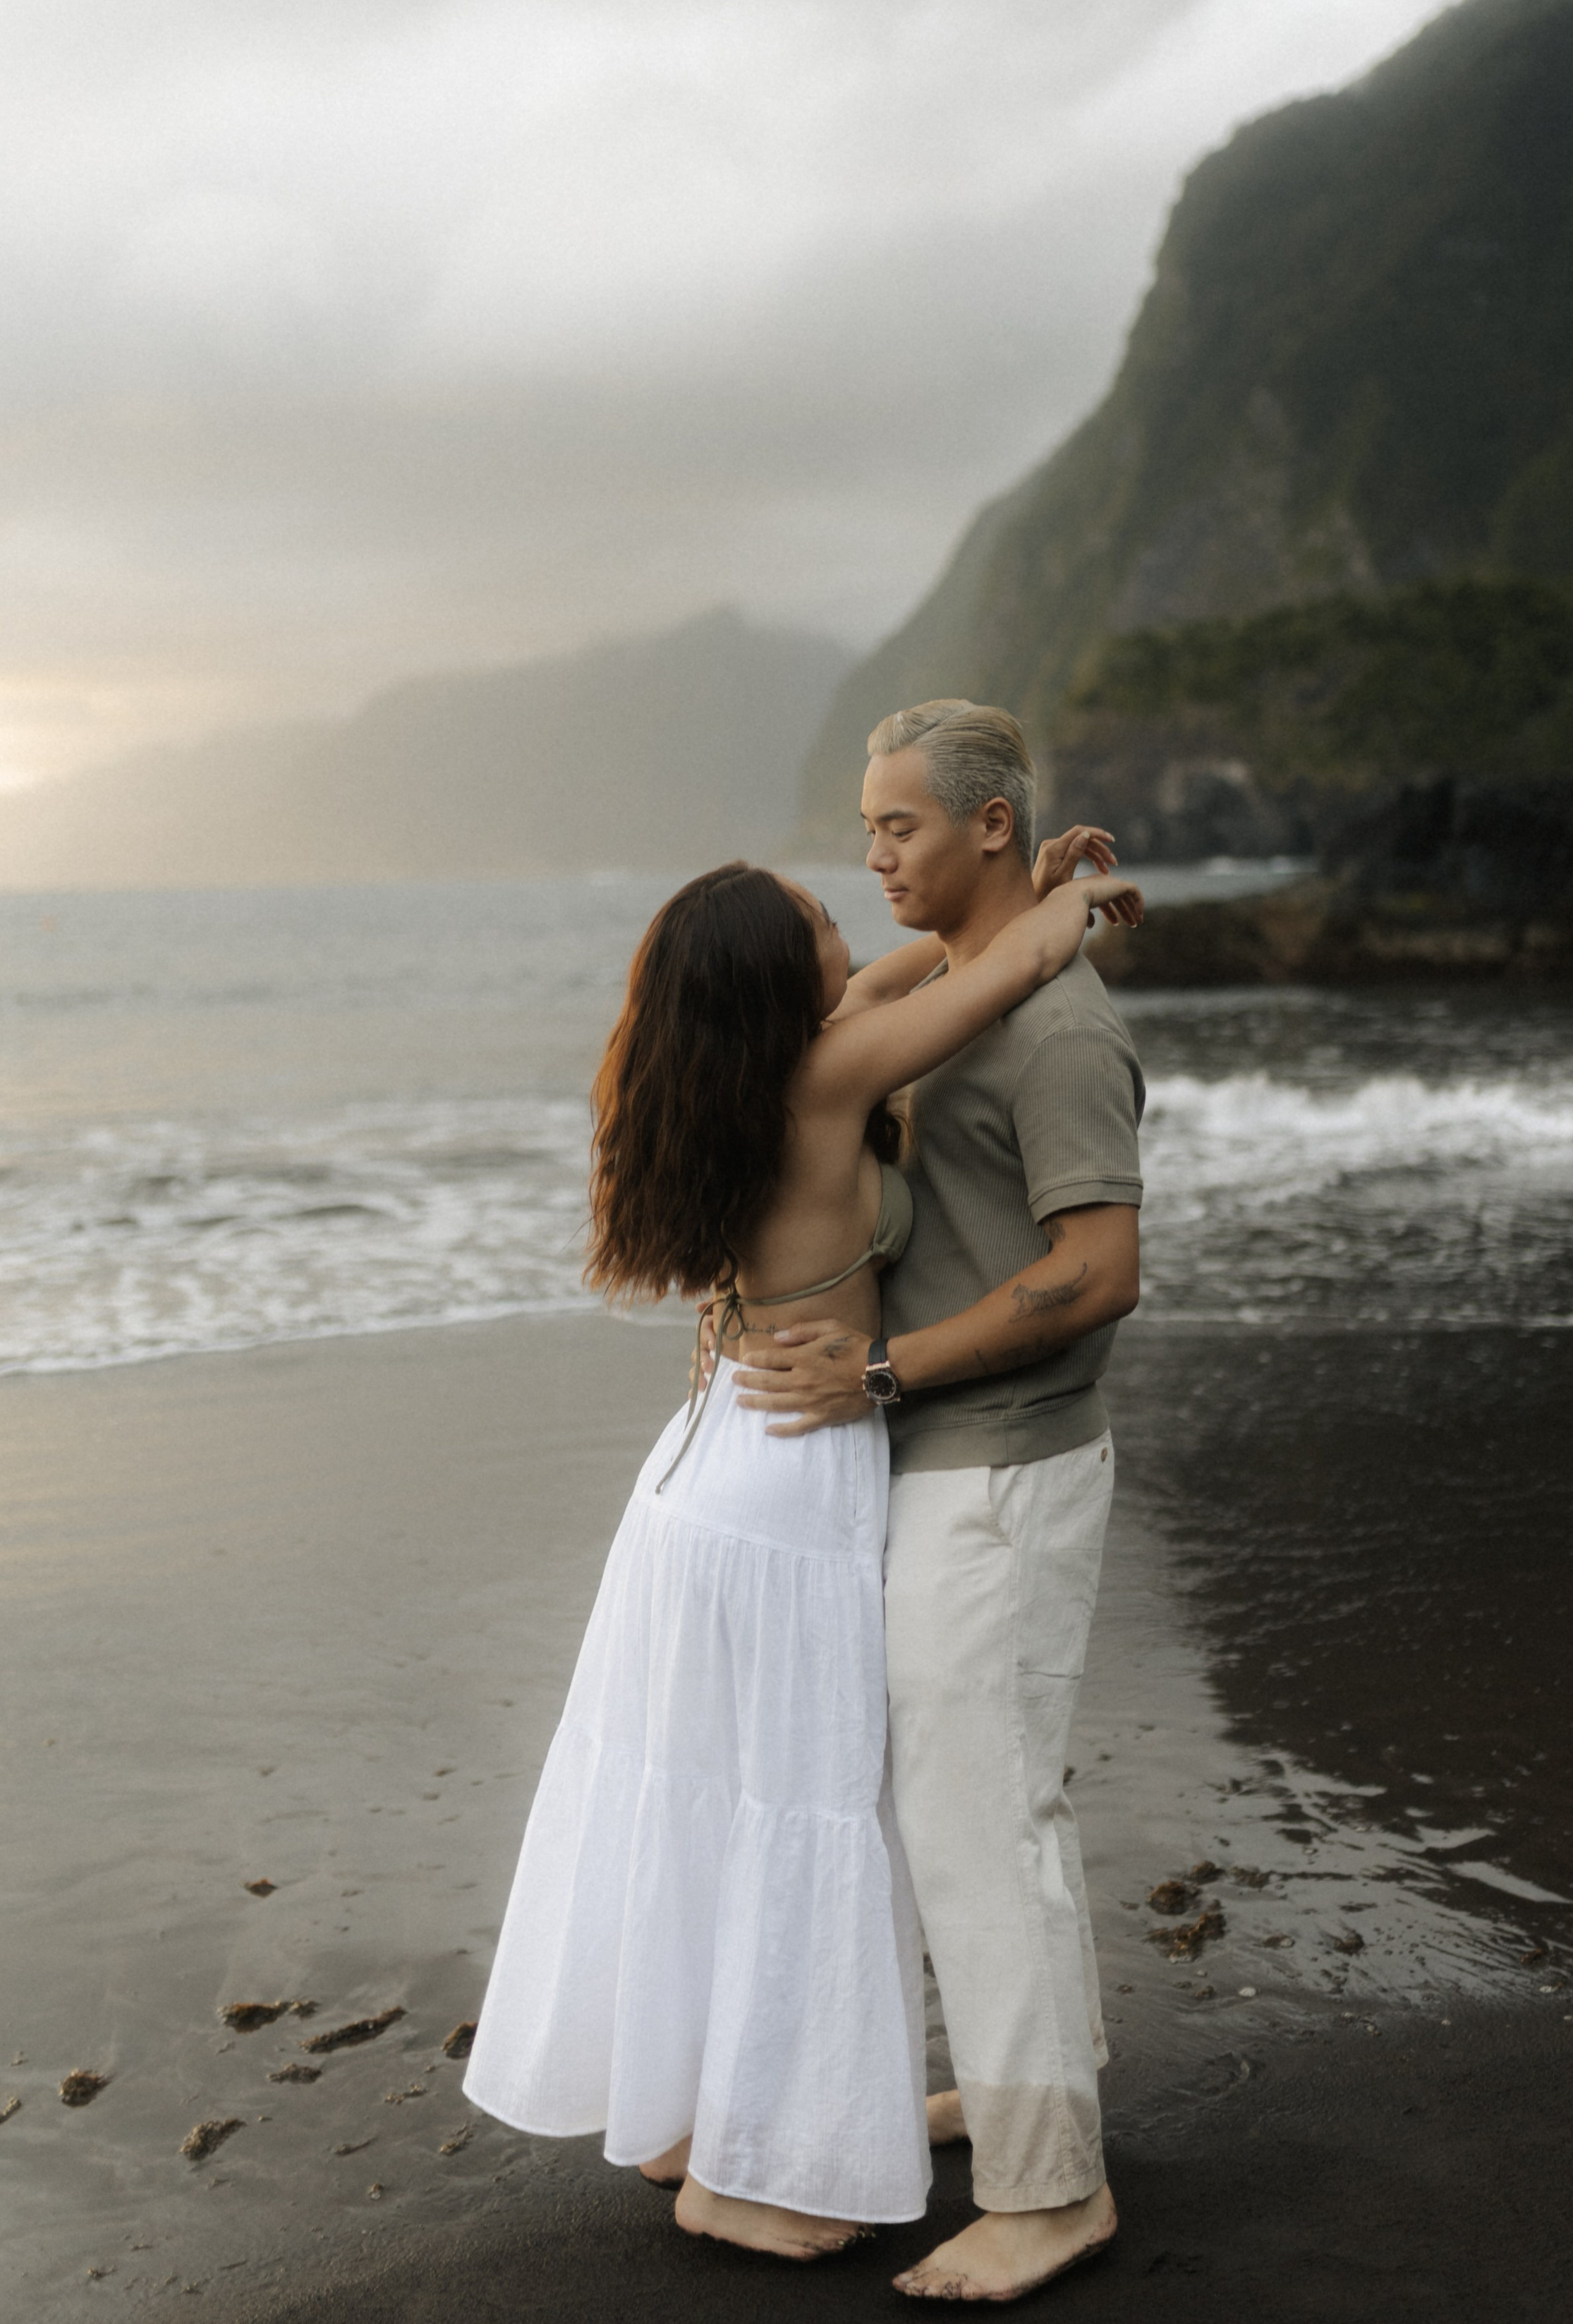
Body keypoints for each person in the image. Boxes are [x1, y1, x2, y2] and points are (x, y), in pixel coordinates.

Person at [460, 850, 1136, 2263]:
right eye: (823, 922)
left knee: (701, 1791)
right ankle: (749, 2181)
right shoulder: (824, 1083)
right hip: (789, 1483)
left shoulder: (720, 1077)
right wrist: (1076, 901)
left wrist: (1033, 878)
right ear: (780, 981)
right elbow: (998, 975)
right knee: (804, 1801)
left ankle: (681, 2118)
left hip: (698, 1471)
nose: (856, 924)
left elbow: (914, 971)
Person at [733, 700, 1146, 2304]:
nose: (871, 848)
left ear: (983, 825)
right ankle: (1023, 2084)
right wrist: (1036, 900)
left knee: (984, 1824)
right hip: (943, 1467)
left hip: (1006, 1469)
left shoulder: (1054, 1033)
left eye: (898, 823)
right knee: (969, 1808)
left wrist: (884, 1373)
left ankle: (1054, 2193)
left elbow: (1098, 1272)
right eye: (865, 822)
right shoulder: (979, 993)